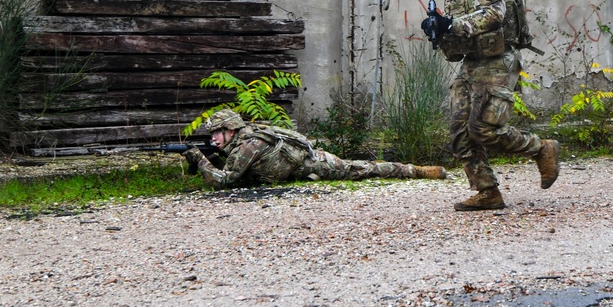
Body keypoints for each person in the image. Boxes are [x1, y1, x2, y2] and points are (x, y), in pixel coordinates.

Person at [420, 0, 559, 211]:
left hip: (495, 64)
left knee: (484, 130)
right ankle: (487, 192)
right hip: (472, 65)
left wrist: (451, 23)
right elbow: (462, 27)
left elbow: (495, 14)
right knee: (460, 134)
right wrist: (438, 27)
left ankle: (541, 148)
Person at [182, 108, 448, 189]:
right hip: (296, 168)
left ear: (230, 129)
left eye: (217, 132)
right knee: (359, 169)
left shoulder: (248, 145)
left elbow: (225, 181)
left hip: (311, 163)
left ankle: (414, 171)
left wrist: (199, 159)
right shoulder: (241, 141)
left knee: (360, 169)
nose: (214, 138)